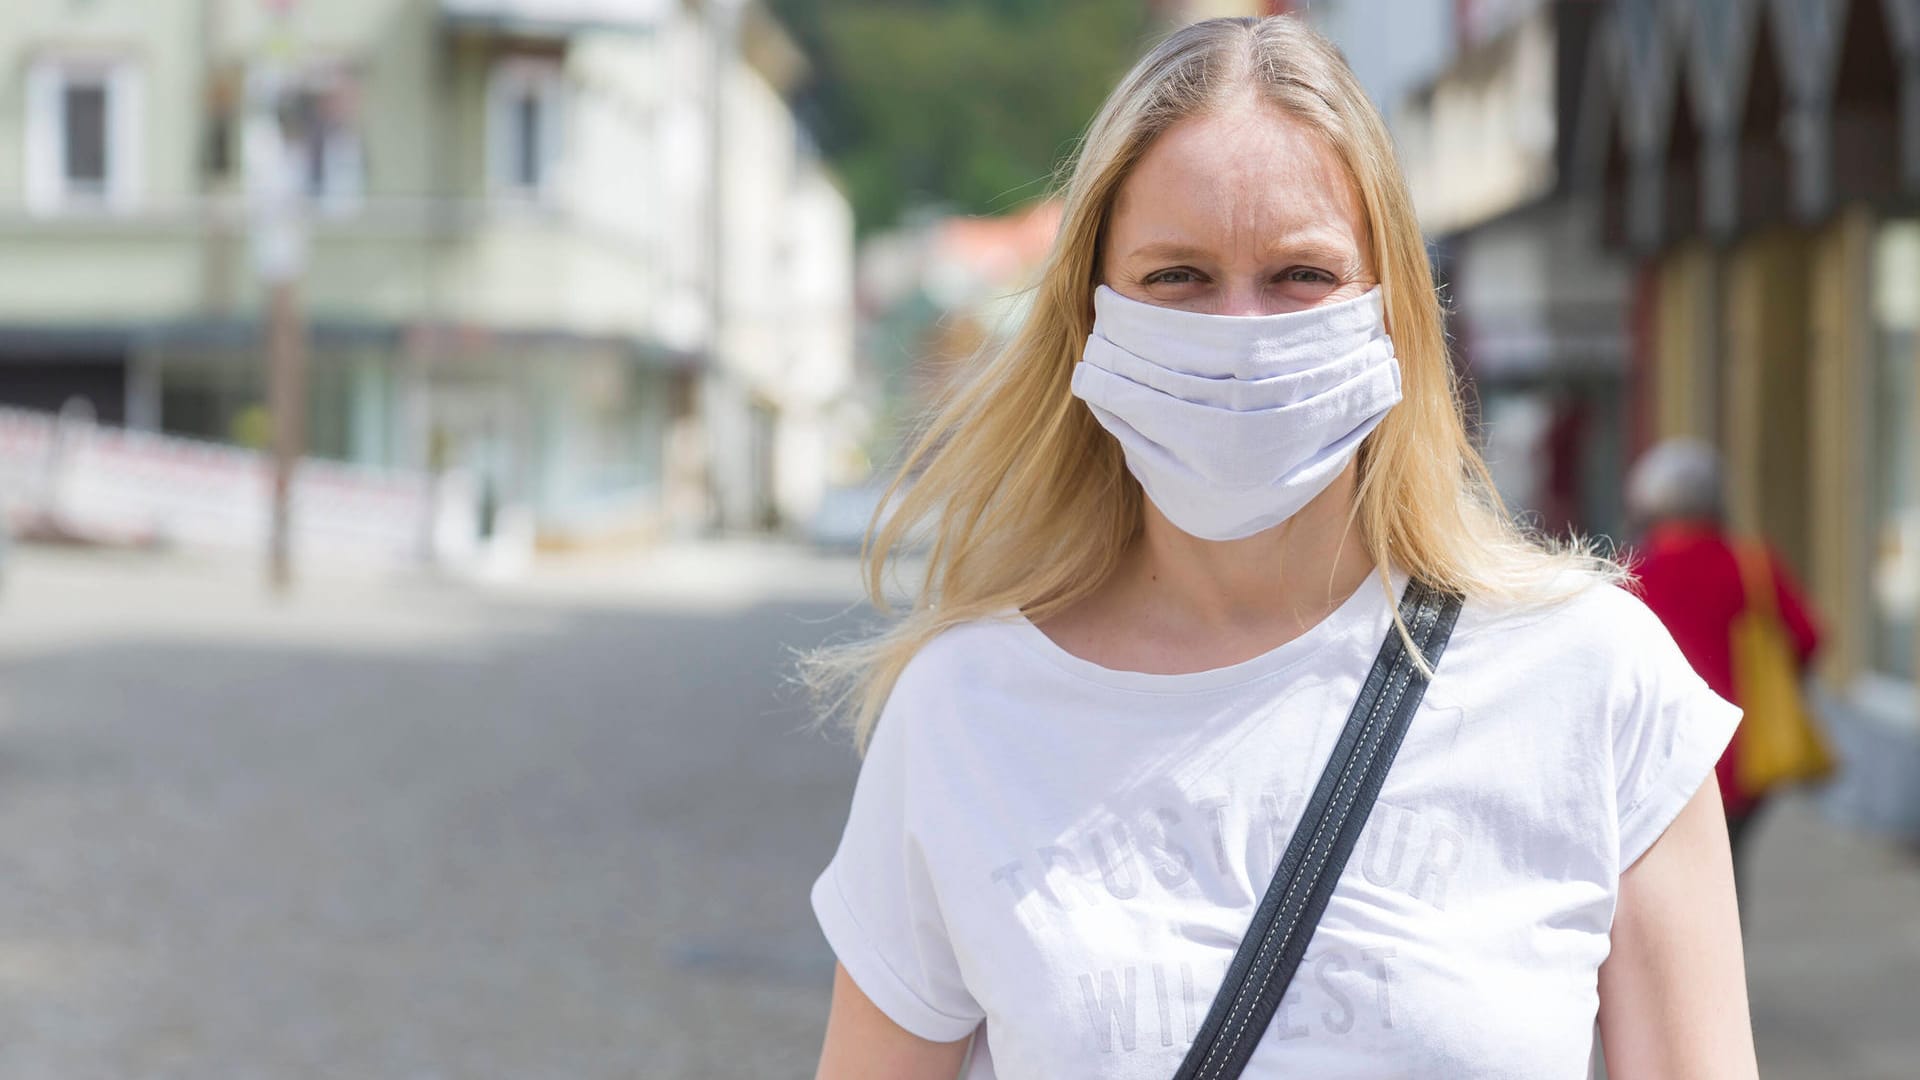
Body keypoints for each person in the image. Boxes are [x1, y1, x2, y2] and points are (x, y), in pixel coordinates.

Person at [805, 17, 1756, 1079]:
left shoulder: (1594, 680)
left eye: (1301, 274)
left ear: (1391, 308)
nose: (1244, 333)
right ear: (1091, 317)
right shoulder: (965, 713)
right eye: (1179, 277)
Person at [1626, 437, 1823, 894]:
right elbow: (1809, 640)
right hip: (1744, 756)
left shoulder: (1631, 574)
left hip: (1657, 760)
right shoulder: (1751, 565)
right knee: (1728, 873)